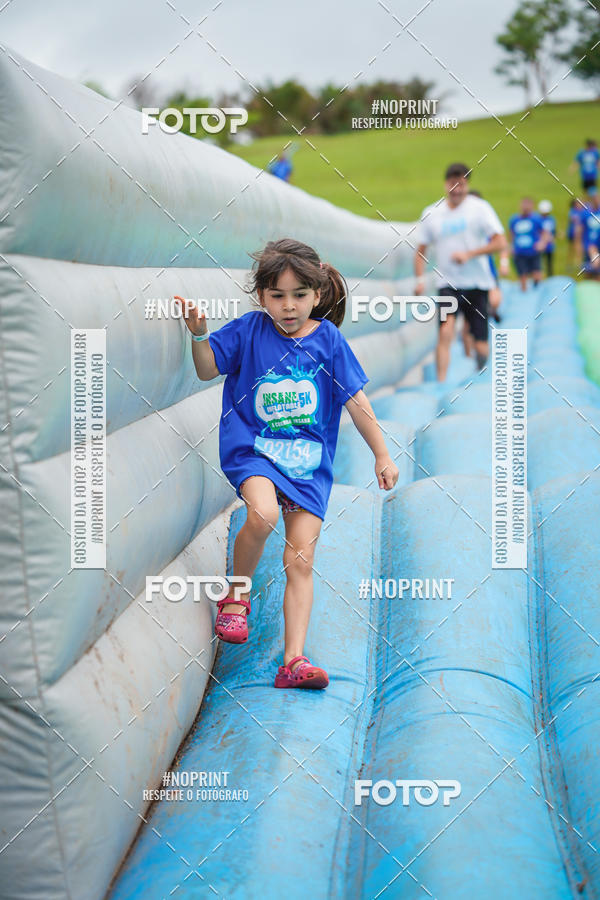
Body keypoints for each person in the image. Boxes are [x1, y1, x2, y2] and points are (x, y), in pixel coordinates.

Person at [174, 239, 399, 689]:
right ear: (261, 298)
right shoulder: (249, 331)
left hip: (308, 466)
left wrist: (382, 453)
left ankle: (293, 661)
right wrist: (199, 333)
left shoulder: (329, 342)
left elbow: (356, 402)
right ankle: (236, 596)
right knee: (262, 512)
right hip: (254, 450)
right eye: (277, 295)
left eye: (299, 295)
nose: (288, 306)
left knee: (301, 559)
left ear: (317, 295)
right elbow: (205, 369)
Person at [414, 163, 507, 380]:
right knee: (445, 332)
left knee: (481, 344)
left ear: (467, 185)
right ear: (446, 184)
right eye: (453, 184)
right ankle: (441, 382)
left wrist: (470, 254)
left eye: (462, 184)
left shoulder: (480, 208)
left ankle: (480, 372)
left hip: (477, 283)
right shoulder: (432, 213)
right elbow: (420, 251)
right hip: (448, 284)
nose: (457, 189)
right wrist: (419, 279)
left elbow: (501, 242)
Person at [509, 197, 547, 291]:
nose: (525, 208)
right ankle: (523, 291)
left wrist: (542, 243)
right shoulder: (514, 220)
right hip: (520, 252)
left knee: (537, 273)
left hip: (533, 251)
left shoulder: (536, 219)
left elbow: (545, 233)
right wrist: (511, 246)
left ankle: (537, 287)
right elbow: (511, 234)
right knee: (522, 274)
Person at [576, 189, 600, 280]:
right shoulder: (586, 213)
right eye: (594, 198)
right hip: (588, 245)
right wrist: (578, 246)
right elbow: (579, 230)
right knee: (588, 270)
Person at [566, 198, 586, 271]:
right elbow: (574, 220)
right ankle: (569, 264)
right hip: (572, 233)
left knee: (579, 249)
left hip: (580, 234)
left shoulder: (582, 212)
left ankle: (579, 264)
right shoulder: (573, 211)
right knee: (571, 250)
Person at [538, 199, 556, 277]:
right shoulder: (538, 219)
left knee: (549, 263)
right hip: (541, 245)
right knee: (539, 264)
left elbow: (553, 231)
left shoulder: (551, 219)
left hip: (549, 245)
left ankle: (550, 278)